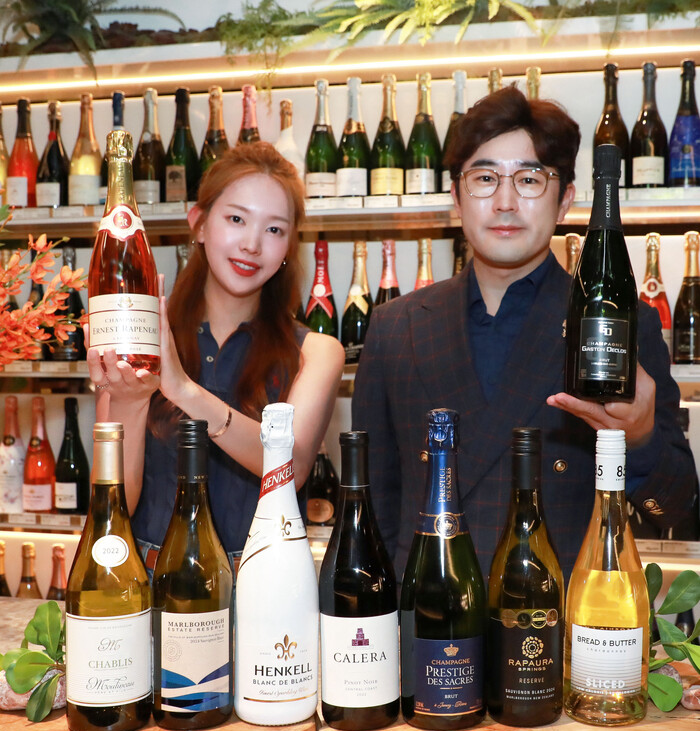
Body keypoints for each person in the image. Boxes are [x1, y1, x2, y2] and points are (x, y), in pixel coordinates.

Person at [352, 86, 697, 582]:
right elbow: (373, 512)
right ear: (456, 198)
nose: (505, 202)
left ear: (565, 202)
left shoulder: (621, 326)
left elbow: (676, 507)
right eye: (485, 178)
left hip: (558, 618)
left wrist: (640, 438)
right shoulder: (395, 328)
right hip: (425, 617)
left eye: (530, 179)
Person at [88, 142, 345, 571]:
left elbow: (291, 468)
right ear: (200, 223)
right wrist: (130, 401)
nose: (252, 244)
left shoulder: (316, 353)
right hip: (154, 585)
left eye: (274, 230)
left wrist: (184, 390)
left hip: (264, 587)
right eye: (236, 219)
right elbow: (113, 512)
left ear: (289, 246)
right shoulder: (141, 341)